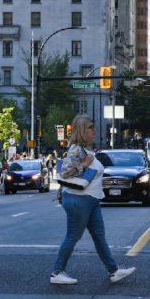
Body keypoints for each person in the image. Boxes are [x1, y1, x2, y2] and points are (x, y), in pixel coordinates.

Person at [50, 114, 135, 285]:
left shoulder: (87, 150)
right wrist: (86, 164)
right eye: (90, 127)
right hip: (78, 199)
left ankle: (114, 271)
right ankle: (57, 273)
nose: (94, 130)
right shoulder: (76, 149)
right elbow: (65, 172)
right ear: (82, 130)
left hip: (92, 199)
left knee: (99, 236)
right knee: (73, 235)